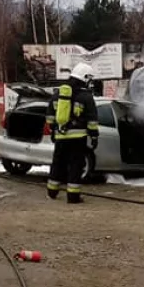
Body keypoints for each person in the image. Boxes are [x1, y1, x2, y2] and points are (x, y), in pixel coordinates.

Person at [45, 63, 99, 204]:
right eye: (89, 79)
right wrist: (94, 136)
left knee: (58, 163)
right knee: (76, 165)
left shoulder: (58, 94)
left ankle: (52, 191)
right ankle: (73, 196)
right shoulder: (86, 96)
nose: (90, 82)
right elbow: (92, 119)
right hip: (77, 138)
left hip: (60, 136)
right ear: (85, 77)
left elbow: (50, 115)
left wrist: (53, 130)